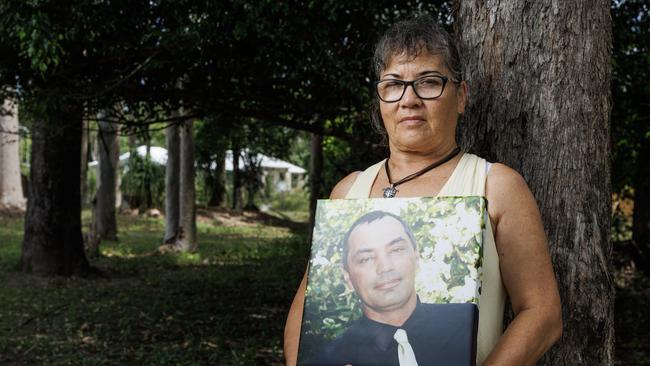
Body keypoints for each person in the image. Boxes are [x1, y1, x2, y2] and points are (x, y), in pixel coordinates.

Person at [285, 15, 562, 366]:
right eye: (393, 84)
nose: (409, 99)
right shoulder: (348, 191)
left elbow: (542, 313)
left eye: (429, 82)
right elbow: (302, 312)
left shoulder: (497, 185)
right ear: (380, 99)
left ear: (461, 96)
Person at [305, 210, 478, 366]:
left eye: (396, 250)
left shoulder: (469, 323)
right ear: (348, 277)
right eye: (365, 259)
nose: (385, 267)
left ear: (416, 257)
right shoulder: (328, 361)